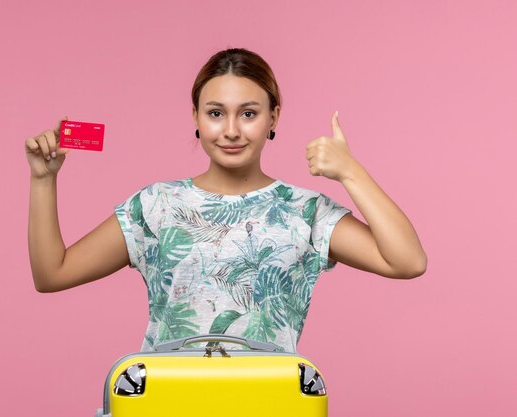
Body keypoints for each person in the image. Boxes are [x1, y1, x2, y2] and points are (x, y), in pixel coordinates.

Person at [25, 48, 427, 353]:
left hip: (270, 403)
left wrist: (349, 172)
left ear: (274, 117)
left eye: (248, 114)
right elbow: (53, 274)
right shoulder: (158, 205)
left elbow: (407, 261)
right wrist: (43, 180)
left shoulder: (305, 212)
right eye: (216, 113)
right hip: (166, 402)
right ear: (196, 118)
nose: (231, 130)